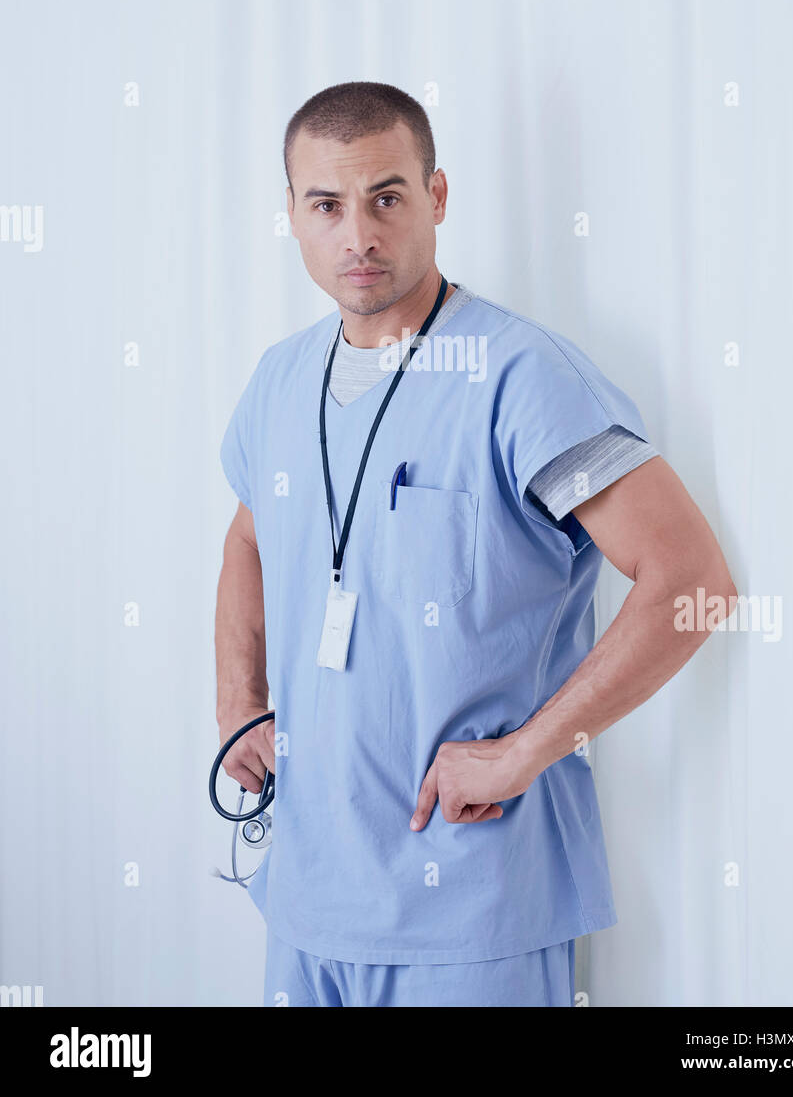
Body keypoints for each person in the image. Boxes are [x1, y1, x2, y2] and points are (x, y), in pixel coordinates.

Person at [215, 80, 737, 1008]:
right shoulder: (279, 381)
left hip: (468, 912)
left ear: (438, 197)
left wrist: (523, 752)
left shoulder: (521, 377)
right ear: (290, 215)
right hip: (304, 902)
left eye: (387, 197)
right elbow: (249, 538)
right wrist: (239, 706)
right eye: (326, 206)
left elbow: (691, 581)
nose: (358, 237)